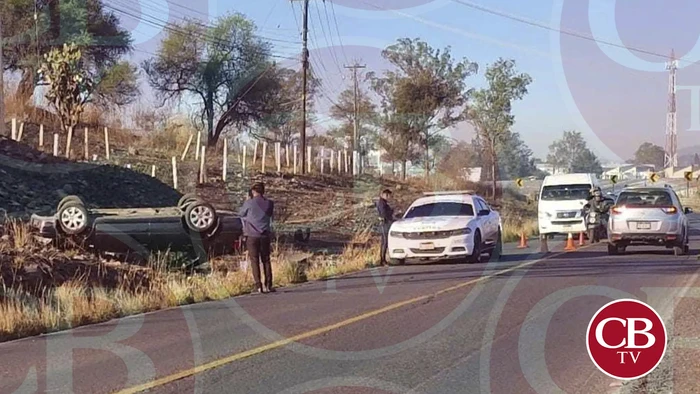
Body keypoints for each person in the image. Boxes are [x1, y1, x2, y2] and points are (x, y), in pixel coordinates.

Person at [238, 182, 275, 294]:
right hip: (265, 235)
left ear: (253, 192)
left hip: (252, 235)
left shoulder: (249, 203)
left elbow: (241, 214)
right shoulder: (269, 203)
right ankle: (268, 285)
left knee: (254, 260)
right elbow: (270, 216)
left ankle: (258, 286)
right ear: (263, 191)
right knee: (266, 260)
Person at [376, 189, 395, 266]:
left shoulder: (383, 203)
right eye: (389, 195)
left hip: (385, 223)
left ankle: (383, 259)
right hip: (384, 224)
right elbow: (384, 214)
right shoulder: (382, 203)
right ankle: (382, 260)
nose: (389, 197)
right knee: (384, 242)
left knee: (384, 242)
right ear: (385, 195)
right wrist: (391, 212)